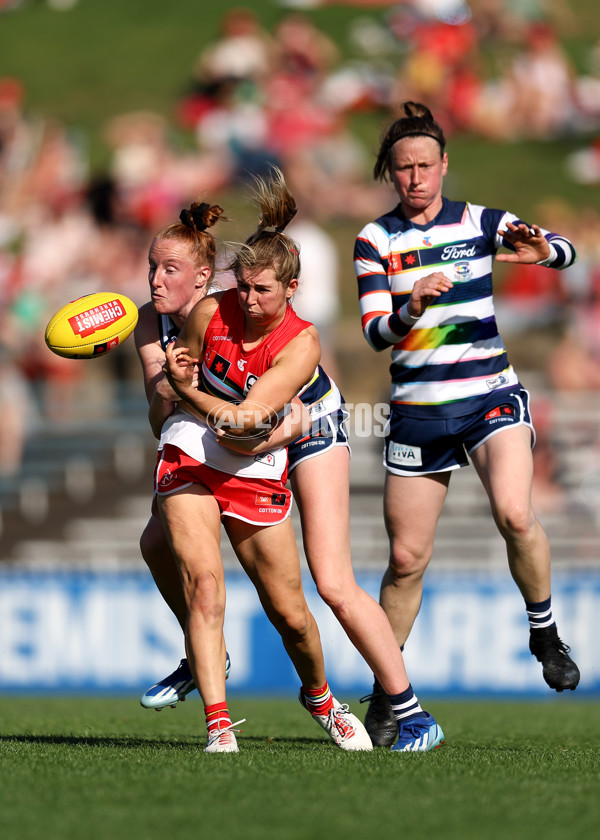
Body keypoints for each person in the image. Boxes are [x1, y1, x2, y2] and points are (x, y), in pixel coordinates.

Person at [136, 168, 445, 753]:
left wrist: (188, 394)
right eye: (244, 288)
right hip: (233, 432)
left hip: (306, 426)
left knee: (328, 583)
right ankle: (202, 658)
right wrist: (169, 386)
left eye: (167, 269)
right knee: (162, 548)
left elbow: (247, 431)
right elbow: (176, 419)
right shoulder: (186, 319)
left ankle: (409, 709)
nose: (250, 302)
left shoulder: (298, 341)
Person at [353, 101, 580, 746]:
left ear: (445, 165)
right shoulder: (377, 240)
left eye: (426, 165)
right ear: (390, 174)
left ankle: (545, 632)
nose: (416, 177)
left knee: (514, 511)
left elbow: (560, 251)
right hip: (419, 410)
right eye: (403, 168)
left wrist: (546, 252)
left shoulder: (481, 220)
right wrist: (411, 307)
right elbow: (375, 333)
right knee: (405, 559)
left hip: (490, 396)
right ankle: (386, 694)